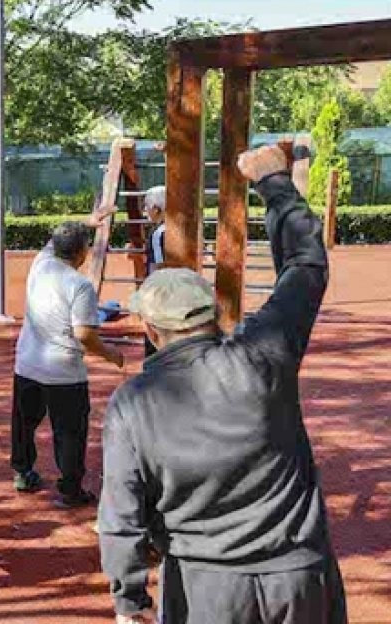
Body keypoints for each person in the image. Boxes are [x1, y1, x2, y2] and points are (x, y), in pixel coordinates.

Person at [98, 144, 346, 624]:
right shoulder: (262, 355)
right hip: (298, 577)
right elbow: (306, 265)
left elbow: (120, 517)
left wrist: (129, 601)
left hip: (205, 590)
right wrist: (274, 183)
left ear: (152, 330)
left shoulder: (132, 404)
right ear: (214, 315)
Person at [10, 208, 125, 508]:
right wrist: (111, 354)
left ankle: (23, 473)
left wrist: (87, 222)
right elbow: (84, 334)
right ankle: (71, 488)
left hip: (27, 363)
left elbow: (53, 240)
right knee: (70, 432)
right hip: (63, 372)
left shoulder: (41, 263)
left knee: (24, 423)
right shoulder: (80, 285)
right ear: (83, 252)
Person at [141, 186, 167, 357]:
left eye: (146, 207)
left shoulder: (158, 234)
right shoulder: (177, 228)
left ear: (156, 209)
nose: (145, 212)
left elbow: (159, 266)